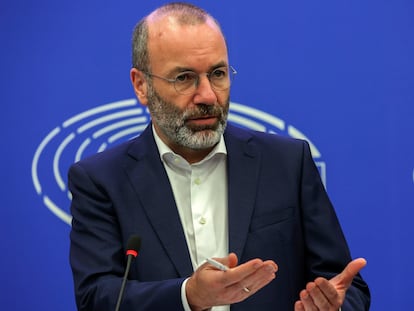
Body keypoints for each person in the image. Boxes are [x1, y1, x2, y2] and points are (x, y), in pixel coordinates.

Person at [69, 2, 370, 311]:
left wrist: (333, 307)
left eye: (218, 74)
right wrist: (189, 296)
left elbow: (346, 286)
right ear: (141, 85)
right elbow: (97, 298)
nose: (208, 96)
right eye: (184, 77)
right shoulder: (101, 180)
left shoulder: (287, 163)